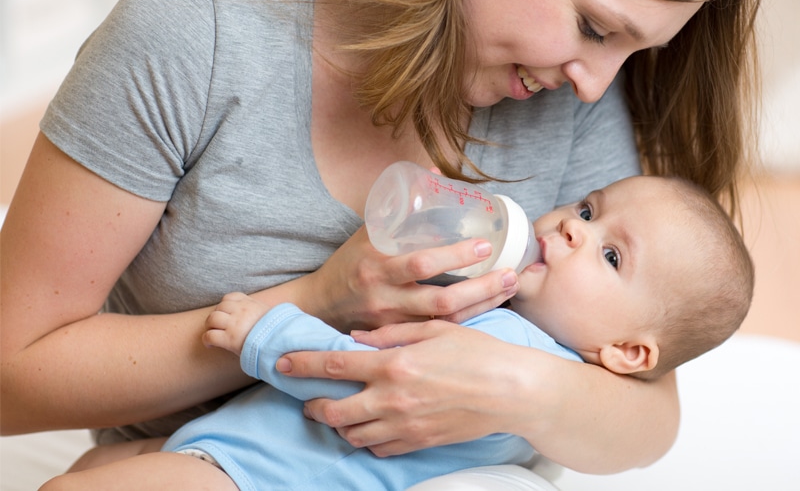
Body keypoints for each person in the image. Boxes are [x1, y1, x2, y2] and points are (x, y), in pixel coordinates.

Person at [1, 0, 764, 485]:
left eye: (631, 52)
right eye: (596, 28)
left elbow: (645, 407)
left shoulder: (563, 93)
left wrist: (517, 389)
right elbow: (10, 375)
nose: (597, 84)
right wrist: (311, 303)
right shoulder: (203, 22)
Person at [38, 174, 755, 491]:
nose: (572, 226)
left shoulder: (519, 354)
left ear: (628, 351)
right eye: (591, 209)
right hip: (230, 451)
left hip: (261, 478)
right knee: (89, 473)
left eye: (609, 255)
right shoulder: (507, 321)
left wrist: (266, 330)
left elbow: (359, 372)